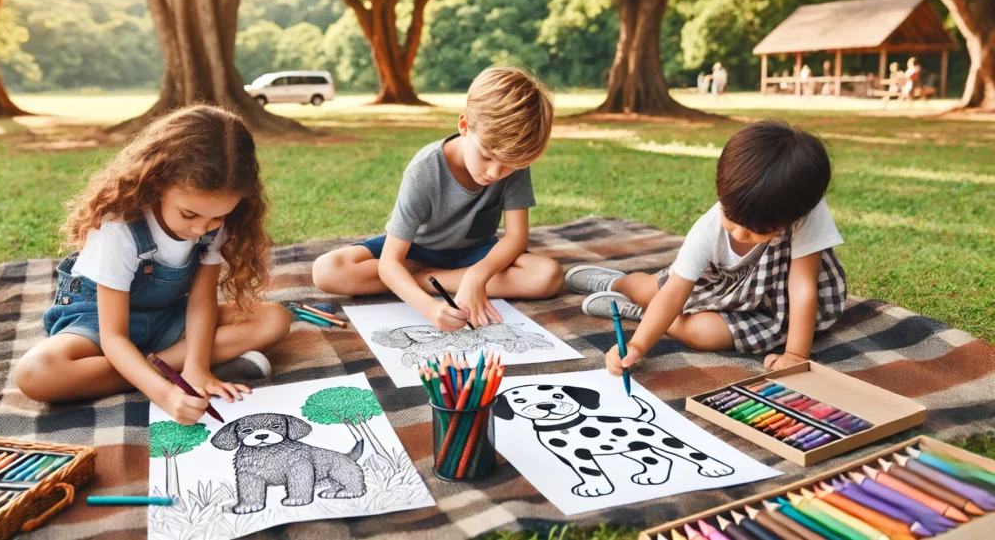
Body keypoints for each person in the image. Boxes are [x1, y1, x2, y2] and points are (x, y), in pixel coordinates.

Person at [15, 105, 292, 424]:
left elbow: (202, 302)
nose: (202, 229)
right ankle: (157, 371)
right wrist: (164, 393)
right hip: (98, 320)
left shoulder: (211, 221)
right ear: (157, 182)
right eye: (189, 215)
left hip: (168, 316)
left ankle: (162, 367)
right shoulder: (119, 227)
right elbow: (114, 337)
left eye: (218, 217)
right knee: (36, 373)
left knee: (273, 319)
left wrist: (197, 367)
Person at [564, 120, 846, 373]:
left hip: (773, 304)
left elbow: (802, 286)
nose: (737, 231)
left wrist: (796, 354)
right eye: (730, 218)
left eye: (756, 231)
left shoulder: (804, 210)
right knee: (651, 290)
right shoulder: (708, 229)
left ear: (792, 217)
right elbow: (673, 293)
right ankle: (619, 286)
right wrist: (637, 347)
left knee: (701, 334)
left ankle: (638, 313)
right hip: (714, 283)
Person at [312, 66, 563, 331]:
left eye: (509, 165)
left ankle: (427, 279)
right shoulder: (425, 169)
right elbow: (389, 263)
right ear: (464, 125)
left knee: (548, 276)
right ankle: (423, 276)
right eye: (487, 156)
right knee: (327, 270)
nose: (495, 173)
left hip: (474, 253)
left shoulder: (515, 159)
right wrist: (430, 308)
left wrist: (476, 277)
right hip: (416, 248)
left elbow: (515, 237)